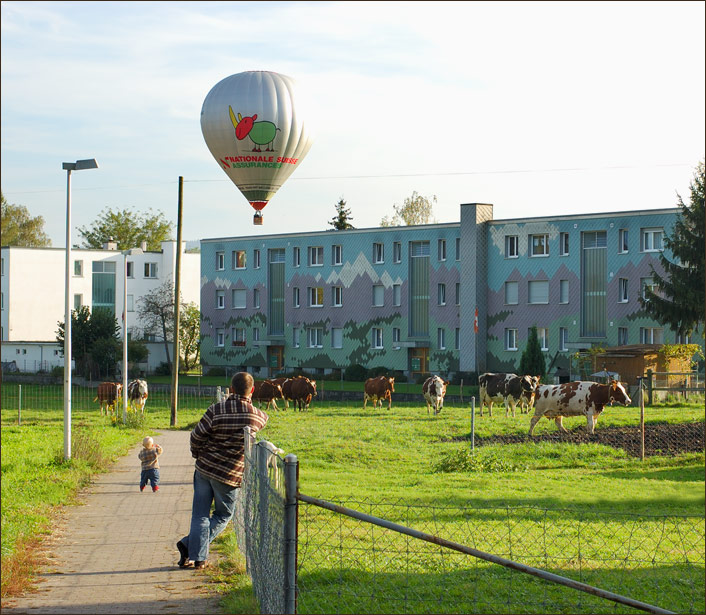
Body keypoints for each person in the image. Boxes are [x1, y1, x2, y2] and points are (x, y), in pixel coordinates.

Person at [176, 371, 268, 570]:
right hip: (229, 475)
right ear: (252, 390)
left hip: (204, 468)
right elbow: (259, 424)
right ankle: (192, 549)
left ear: (231, 389)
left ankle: (194, 552)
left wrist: (197, 454)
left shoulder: (215, 410)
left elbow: (196, 435)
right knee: (223, 515)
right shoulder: (258, 416)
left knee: (199, 515)